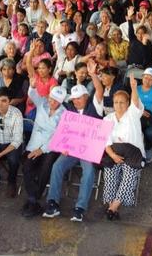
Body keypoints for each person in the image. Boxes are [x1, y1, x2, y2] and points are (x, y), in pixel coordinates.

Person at [43, 84, 105, 222]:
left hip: (88, 150)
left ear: (86, 97)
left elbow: (99, 91)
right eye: (74, 99)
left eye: (79, 98)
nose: (76, 101)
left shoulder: (95, 108)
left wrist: (93, 74)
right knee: (57, 166)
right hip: (71, 149)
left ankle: (80, 208)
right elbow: (63, 130)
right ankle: (53, 202)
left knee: (88, 172)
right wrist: (62, 146)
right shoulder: (70, 109)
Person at [102, 79, 146, 221]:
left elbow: (135, 102)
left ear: (127, 104)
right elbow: (105, 141)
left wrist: (134, 88)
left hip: (133, 153)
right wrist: (113, 155)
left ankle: (113, 207)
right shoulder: (108, 118)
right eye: (116, 102)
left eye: (122, 102)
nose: (119, 105)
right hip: (114, 152)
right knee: (109, 172)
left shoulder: (133, 114)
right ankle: (112, 208)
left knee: (129, 175)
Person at [21, 86, 66, 218]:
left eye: (56, 101)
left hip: (51, 147)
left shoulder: (64, 114)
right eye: (51, 99)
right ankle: (33, 199)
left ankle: (32, 200)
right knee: (27, 166)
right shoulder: (42, 103)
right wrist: (33, 85)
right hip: (34, 144)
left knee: (46, 168)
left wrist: (42, 150)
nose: (52, 102)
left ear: (61, 102)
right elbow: (32, 93)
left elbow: (58, 136)